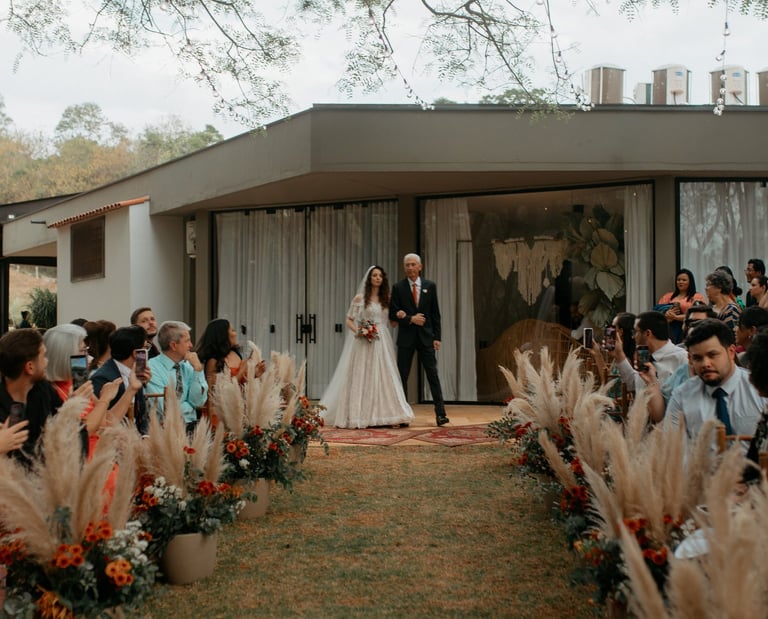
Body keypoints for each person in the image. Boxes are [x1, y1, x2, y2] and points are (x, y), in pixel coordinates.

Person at [321, 266, 414, 428]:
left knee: (385, 375)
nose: (377, 278)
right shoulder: (360, 298)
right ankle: (359, 415)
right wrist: (359, 331)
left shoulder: (387, 299)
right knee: (363, 374)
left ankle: (387, 414)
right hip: (364, 340)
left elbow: (392, 323)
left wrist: (400, 316)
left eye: (380, 276)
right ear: (369, 279)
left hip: (382, 340)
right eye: (374, 275)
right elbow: (349, 319)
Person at [664, 318, 766, 442]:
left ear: (731, 352)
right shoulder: (682, 396)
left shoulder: (759, 389)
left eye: (712, 355)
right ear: (690, 359)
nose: (705, 364)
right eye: (697, 358)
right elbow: (671, 446)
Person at [43, 323, 123, 458]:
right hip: (79, 459)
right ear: (65, 355)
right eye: (83, 351)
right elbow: (84, 430)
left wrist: (131, 389)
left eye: (87, 350)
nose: (88, 357)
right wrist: (104, 399)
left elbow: (105, 422)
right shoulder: (48, 391)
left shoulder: (79, 382)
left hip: (101, 456)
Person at [389, 254, 448, 426]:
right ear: (404, 268)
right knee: (402, 376)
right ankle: (403, 415)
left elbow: (435, 314)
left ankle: (441, 414)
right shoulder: (398, 287)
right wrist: (410, 319)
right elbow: (393, 314)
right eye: (407, 265)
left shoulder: (430, 286)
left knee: (432, 375)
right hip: (406, 339)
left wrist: (437, 337)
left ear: (420, 267)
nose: (410, 267)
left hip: (426, 338)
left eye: (413, 264)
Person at [641, 303, 716, 423]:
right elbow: (661, 414)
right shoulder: (681, 374)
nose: (695, 327)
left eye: (700, 323)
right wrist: (652, 381)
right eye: (690, 322)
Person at [0, 329, 59, 464]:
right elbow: (20, 459)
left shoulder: (43, 389)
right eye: (44, 356)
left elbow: (74, 429)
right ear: (30, 367)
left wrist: (72, 407)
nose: (47, 362)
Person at [194, 318, 266, 426]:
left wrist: (254, 374)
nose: (235, 333)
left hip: (236, 410)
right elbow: (218, 391)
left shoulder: (236, 354)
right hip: (219, 414)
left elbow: (240, 386)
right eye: (232, 330)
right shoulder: (213, 361)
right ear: (222, 335)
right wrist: (242, 370)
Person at [147, 320, 208, 433]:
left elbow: (198, 402)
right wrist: (189, 407)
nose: (191, 345)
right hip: (164, 430)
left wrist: (198, 370)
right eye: (187, 341)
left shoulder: (189, 365)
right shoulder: (151, 368)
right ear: (173, 345)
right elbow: (165, 407)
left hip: (192, 426)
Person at [90, 326, 152, 436]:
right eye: (145, 348)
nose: (147, 352)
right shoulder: (102, 378)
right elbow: (101, 422)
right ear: (136, 353)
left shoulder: (136, 372)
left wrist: (145, 436)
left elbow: (142, 415)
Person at [614, 310, 688, 396]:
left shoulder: (681, 358)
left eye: (635, 332)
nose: (633, 337)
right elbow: (633, 385)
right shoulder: (644, 356)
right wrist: (619, 355)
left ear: (647, 333)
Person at [656, 268, 706, 344]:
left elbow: (700, 315)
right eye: (678, 280)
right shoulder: (668, 296)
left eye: (684, 280)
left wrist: (676, 317)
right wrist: (666, 313)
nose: (680, 282)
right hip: (669, 330)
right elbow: (657, 312)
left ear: (690, 282)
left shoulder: (697, 297)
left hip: (688, 331)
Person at [705, 270, 741, 337]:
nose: (706, 289)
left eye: (708, 285)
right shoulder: (712, 308)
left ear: (719, 287)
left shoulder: (731, 310)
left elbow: (731, 336)